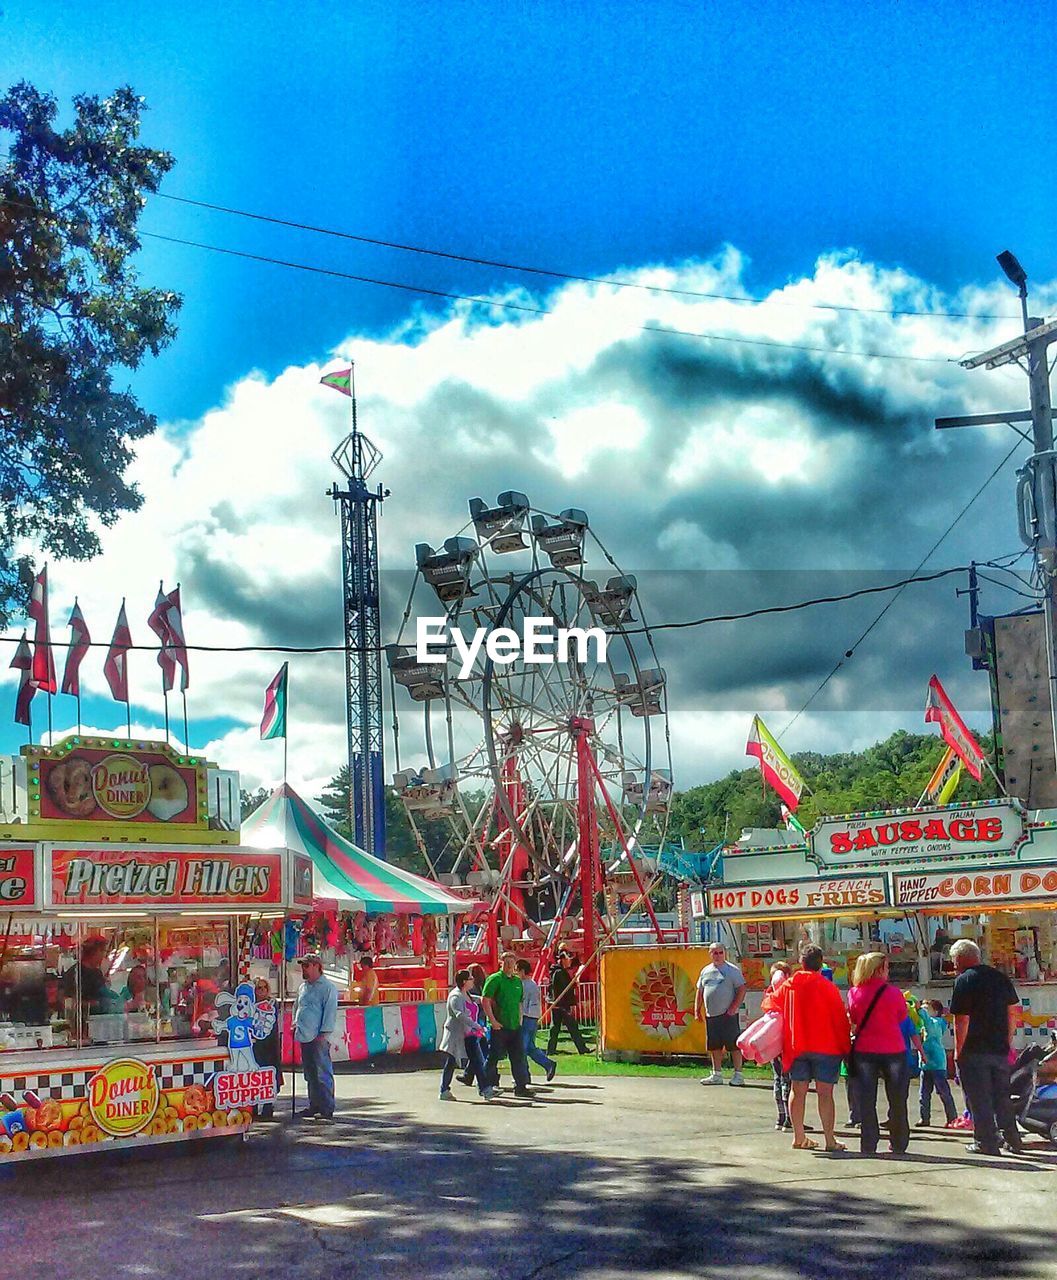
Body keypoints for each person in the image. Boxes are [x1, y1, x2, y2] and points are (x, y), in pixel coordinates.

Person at [774, 944, 850, 1152]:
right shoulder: (828, 987)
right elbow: (840, 1020)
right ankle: (830, 1140)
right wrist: (845, 1047)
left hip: (796, 1045)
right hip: (826, 1046)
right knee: (826, 1094)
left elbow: (770, 1003)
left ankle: (799, 1136)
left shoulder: (790, 984)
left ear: (801, 962)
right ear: (821, 962)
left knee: (798, 1092)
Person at [950, 937, 1023, 1155]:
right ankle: (1013, 1139)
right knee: (1002, 1097)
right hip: (998, 1048)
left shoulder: (964, 980)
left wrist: (958, 1051)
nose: (953, 964)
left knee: (979, 1098)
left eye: (954, 960)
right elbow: (1013, 1011)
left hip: (974, 1050)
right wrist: (1008, 1040)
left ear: (961, 959)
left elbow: (961, 1019)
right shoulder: (999, 977)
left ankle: (986, 1142)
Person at [847, 952, 912, 1156]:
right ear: (879, 969)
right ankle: (899, 1142)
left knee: (866, 1099)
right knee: (898, 1099)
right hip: (893, 1049)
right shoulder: (894, 993)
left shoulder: (854, 992)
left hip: (865, 1049)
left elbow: (855, 1018)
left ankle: (869, 1143)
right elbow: (902, 1016)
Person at [694, 942, 747, 1086]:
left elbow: (742, 989)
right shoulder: (705, 971)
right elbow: (700, 991)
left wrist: (733, 1007)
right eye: (714, 953)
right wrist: (697, 1009)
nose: (717, 956)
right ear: (710, 954)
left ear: (725, 954)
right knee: (714, 1046)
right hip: (712, 1015)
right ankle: (716, 1074)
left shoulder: (732, 970)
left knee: (733, 1045)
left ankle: (738, 1074)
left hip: (728, 1015)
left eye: (720, 953)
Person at [293, 953, 338, 1120]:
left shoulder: (327, 988)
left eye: (307, 966)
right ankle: (314, 1105)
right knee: (310, 1073)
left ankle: (326, 1107)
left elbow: (330, 1012)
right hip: (304, 1034)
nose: (303, 969)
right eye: (303, 966)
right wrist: (294, 1023)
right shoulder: (303, 987)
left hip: (318, 1036)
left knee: (322, 1072)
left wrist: (324, 1033)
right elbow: (298, 1005)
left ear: (316, 966)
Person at [482, 952, 531, 1098]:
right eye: (506, 962)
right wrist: (493, 1020)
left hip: (514, 1025)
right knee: (494, 1056)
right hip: (499, 1026)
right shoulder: (494, 979)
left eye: (512, 962)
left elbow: (519, 1003)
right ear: (501, 963)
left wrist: (520, 1019)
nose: (509, 965)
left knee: (518, 1056)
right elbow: (486, 1001)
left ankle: (520, 1086)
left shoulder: (517, 982)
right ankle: (487, 1085)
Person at [439, 969, 490, 1100]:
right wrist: (476, 1025)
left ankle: (485, 1089)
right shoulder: (455, 996)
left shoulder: (467, 994)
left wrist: (488, 999)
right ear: (464, 982)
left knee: (477, 1060)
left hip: (470, 1034)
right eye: (470, 978)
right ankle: (444, 1090)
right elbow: (459, 1015)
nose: (473, 980)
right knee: (451, 1061)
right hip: (456, 1035)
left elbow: (476, 1001)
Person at [917, 998, 957, 1128]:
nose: (924, 1009)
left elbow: (929, 1024)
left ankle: (952, 1118)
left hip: (937, 1063)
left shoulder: (937, 1022)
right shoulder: (925, 1023)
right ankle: (924, 1118)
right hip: (925, 1063)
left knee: (943, 1092)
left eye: (926, 1008)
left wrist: (919, 1010)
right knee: (923, 1093)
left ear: (935, 1011)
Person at [761, 961, 791, 1129]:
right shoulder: (786, 994)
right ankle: (789, 1118)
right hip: (785, 1041)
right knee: (787, 1080)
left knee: (777, 1079)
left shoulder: (769, 994)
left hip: (772, 1042)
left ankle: (781, 1117)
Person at [516, 958, 557, 1083]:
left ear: (522, 971)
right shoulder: (533, 984)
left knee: (522, 1048)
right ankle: (547, 1064)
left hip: (525, 1018)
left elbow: (520, 1003)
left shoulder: (522, 985)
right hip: (533, 1018)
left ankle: (525, 1075)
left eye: (516, 970)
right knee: (529, 1047)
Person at [252, 977, 283, 1119]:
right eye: (259, 988)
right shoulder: (250, 1004)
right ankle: (252, 1108)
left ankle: (268, 1107)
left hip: (270, 1045)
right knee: (254, 1077)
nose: (262, 990)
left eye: (264, 987)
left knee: (269, 1076)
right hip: (255, 1045)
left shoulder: (273, 1003)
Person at [547, 950, 589, 1056]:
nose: (569, 961)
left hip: (559, 1004)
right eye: (567, 959)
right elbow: (558, 990)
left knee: (556, 1028)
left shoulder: (560, 971)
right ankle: (582, 1049)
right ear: (562, 960)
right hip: (560, 1004)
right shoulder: (559, 972)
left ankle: (551, 1050)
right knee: (570, 1026)